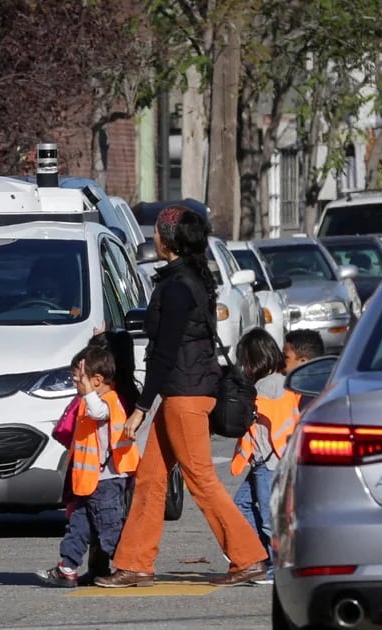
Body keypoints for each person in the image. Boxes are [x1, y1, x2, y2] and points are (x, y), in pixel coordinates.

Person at [95, 205, 269, 588]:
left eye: (157, 232)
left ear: (169, 240)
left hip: (186, 395)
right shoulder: (187, 277)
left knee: (201, 479)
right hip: (184, 390)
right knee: (151, 476)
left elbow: (165, 351)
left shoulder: (177, 286)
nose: (153, 238)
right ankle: (135, 564)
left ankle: (249, 557)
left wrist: (141, 408)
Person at [37, 346, 139, 587]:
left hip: (107, 482)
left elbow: (99, 412)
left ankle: (132, 567)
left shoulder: (108, 401)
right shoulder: (89, 400)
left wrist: (86, 393)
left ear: (96, 380)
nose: (74, 382)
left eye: (78, 377)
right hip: (87, 481)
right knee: (78, 526)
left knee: (109, 527)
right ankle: (67, 567)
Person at [230, 329, 300, 585]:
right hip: (273, 460)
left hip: (269, 462)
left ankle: (273, 566)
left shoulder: (264, 387)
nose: (243, 367)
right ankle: (264, 558)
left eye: (244, 361)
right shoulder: (282, 382)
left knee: (270, 519)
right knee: (243, 505)